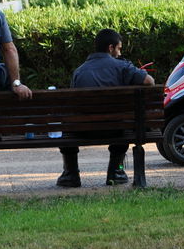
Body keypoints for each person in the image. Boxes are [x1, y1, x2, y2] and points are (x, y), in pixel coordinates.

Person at [56, 28, 154, 188]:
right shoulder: (122, 67)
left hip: (83, 130)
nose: (120, 52)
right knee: (124, 124)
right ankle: (116, 172)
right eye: (119, 48)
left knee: (67, 129)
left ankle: (70, 175)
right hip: (115, 129)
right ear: (111, 48)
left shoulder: (79, 71)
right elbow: (149, 81)